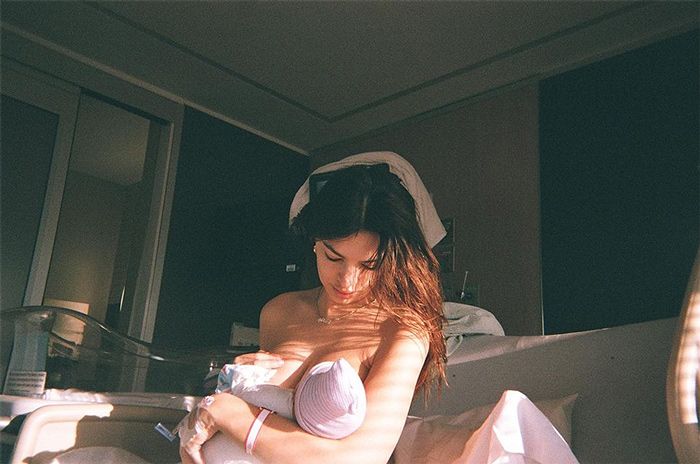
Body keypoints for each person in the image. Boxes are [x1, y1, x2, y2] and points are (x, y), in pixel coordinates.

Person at [179, 160, 447, 464]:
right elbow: (267, 414)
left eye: (369, 265)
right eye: (334, 257)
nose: (347, 280)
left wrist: (227, 413)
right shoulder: (279, 311)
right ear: (315, 243)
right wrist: (236, 384)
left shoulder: (402, 332)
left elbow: (359, 458)